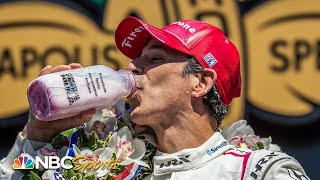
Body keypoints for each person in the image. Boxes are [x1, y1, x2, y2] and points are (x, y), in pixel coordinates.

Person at [0, 16, 309, 180]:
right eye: (137, 59)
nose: (132, 67)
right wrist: (38, 136)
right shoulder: (103, 162)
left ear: (200, 82)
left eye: (155, 59)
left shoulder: (261, 172)